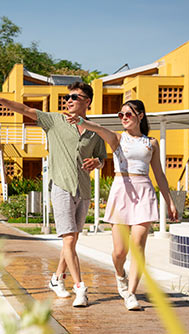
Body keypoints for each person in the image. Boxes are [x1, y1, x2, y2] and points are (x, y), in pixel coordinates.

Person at [0, 81, 107, 307]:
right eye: (67, 97)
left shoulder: (94, 130)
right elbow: (26, 110)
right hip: (60, 186)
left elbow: (102, 158)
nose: (68, 100)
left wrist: (97, 161)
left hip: (83, 189)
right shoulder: (54, 121)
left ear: (87, 102)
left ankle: (57, 279)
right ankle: (80, 288)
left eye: (74, 97)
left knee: (72, 240)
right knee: (69, 238)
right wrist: (0, 101)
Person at [65, 99, 178, 310]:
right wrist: (81, 121)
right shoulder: (117, 138)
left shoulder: (151, 143)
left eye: (128, 114)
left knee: (138, 245)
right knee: (119, 252)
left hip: (144, 191)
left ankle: (131, 294)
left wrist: (169, 201)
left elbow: (159, 175)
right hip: (121, 191)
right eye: (121, 115)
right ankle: (120, 275)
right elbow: (99, 128)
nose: (124, 118)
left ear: (140, 116)